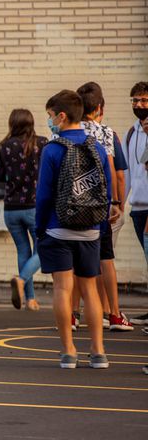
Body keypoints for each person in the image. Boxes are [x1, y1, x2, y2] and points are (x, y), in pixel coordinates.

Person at [36, 89, 110, 369]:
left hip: (58, 229)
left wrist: (40, 227)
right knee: (90, 289)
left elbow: (43, 195)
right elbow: (107, 190)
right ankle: (98, 350)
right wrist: (100, 226)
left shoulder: (53, 150)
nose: (50, 121)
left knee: (62, 289)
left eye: (51, 116)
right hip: (90, 229)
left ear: (62, 116)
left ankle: (68, 350)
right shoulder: (98, 148)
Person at [76, 82, 132, 331]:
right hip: (99, 203)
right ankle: (114, 314)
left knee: (74, 260)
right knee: (106, 258)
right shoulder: (106, 133)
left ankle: (72, 314)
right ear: (100, 107)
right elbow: (114, 170)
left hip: (74, 203)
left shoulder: (68, 131)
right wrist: (116, 201)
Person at [0, 109, 47, 311]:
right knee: (43, 248)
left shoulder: (4, 145)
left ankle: (30, 299)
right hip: (35, 206)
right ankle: (22, 279)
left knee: (23, 251)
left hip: (11, 208)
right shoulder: (41, 144)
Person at [124, 81, 148, 326]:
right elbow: (127, 172)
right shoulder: (131, 132)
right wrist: (120, 203)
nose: (139, 105)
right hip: (138, 208)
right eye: (135, 100)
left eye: (143, 100)